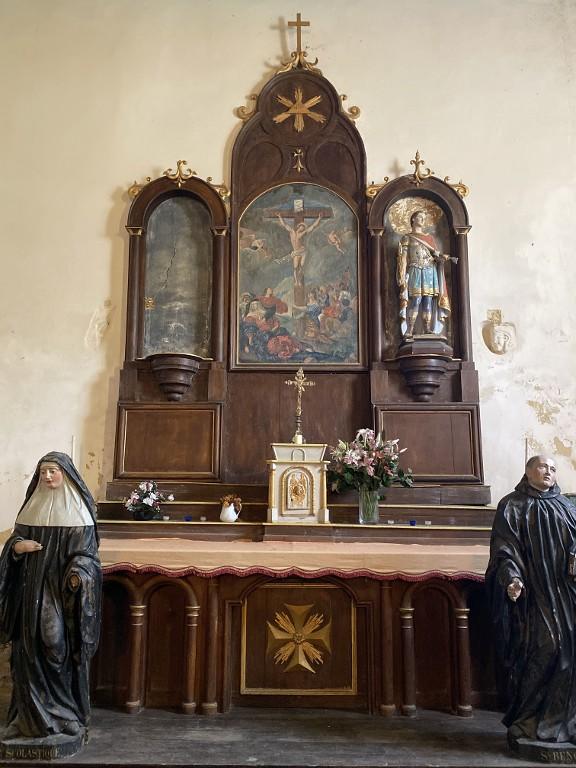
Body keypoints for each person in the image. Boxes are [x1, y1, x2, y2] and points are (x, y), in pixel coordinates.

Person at [0, 452, 101, 744]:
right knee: (26, 650)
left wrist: (79, 574)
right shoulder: (31, 509)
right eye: (43, 472)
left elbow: (87, 557)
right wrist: (19, 548)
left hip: (60, 593)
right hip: (29, 589)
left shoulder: (79, 513)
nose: (47, 477)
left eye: (53, 471)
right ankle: (26, 719)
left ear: (65, 475)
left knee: (55, 644)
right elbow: (13, 544)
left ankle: (66, 713)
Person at [485, 455, 576, 745]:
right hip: (533, 594)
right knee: (547, 648)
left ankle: (564, 723)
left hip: (565, 590)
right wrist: (511, 579)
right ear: (527, 472)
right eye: (542, 467)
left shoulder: (566, 506)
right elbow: (504, 548)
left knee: (571, 651)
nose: (548, 472)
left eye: (552, 468)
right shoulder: (512, 505)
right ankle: (528, 719)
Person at [396, 209, 451, 338]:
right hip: (415, 270)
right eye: (419, 217)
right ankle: (410, 329)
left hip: (429, 271)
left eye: (423, 218)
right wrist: (402, 274)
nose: (422, 219)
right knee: (416, 300)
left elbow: (436, 257)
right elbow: (403, 258)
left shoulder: (430, 238)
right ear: (413, 219)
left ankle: (427, 329)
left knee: (428, 301)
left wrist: (441, 258)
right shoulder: (407, 237)